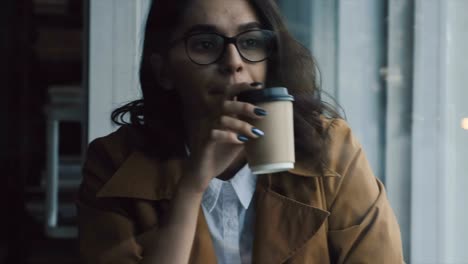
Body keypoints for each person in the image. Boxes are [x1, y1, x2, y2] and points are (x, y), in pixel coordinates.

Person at [76, 0, 404, 263]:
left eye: (250, 41)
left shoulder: (332, 149)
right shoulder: (113, 162)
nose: (233, 61)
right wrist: (191, 188)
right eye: (205, 44)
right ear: (164, 71)